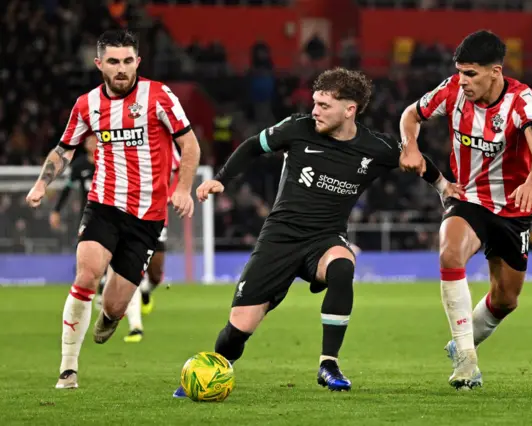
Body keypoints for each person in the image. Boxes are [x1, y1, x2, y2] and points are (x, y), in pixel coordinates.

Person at [173, 67, 461, 397]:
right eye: (315, 103)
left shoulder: (375, 147)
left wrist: (442, 187)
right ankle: (214, 368)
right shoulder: (298, 128)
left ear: (349, 109)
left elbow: (416, 160)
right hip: (279, 239)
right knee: (240, 325)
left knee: (342, 266)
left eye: (324, 105)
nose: (315, 111)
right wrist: (222, 178)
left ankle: (329, 363)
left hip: (324, 239)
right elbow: (253, 146)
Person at [25, 29, 201, 389]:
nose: (121, 69)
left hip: (148, 217)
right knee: (86, 275)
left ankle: (110, 316)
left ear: (137, 61)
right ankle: (68, 370)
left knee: (116, 306)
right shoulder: (86, 104)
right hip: (103, 205)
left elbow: (191, 145)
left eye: (127, 61)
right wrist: (43, 182)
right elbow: (65, 149)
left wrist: (183, 188)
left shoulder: (159, 97)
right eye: (113, 62)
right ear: (99, 64)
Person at [399, 30, 532, 390]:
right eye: (461, 72)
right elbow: (410, 114)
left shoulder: (523, 101)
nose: (462, 81)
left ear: (495, 72)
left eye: (471, 74)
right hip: (466, 198)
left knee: (506, 298)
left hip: (513, 209)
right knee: (450, 252)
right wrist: (410, 146)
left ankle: (460, 343)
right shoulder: (452, 90)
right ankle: (467, 360)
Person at [122, 140, 182, 343]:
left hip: (157, 216)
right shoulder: (125, 140)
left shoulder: (164, 144)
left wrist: (172, 192)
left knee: (155, 275)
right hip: (129, 212)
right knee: (133, 269)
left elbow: (180, 168)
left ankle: (146, 293)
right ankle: (135, 327)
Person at [48, 141, 96, 232]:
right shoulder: (79, 165)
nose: (92, 143)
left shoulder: (109, 163)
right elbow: (67, 188)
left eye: (95, 140)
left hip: (107, 212)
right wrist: (56, 210)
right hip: (86, 213)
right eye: (90, 140)